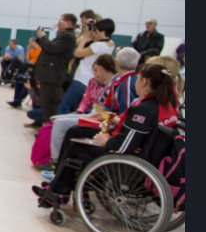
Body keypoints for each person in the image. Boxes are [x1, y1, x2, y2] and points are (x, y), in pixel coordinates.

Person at [33, 63, 179, 207]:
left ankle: (59, 191)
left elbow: (124, 146)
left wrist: (106, 141)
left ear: (144, 81)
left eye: (138, 79)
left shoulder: (144, 110)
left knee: (75, 146)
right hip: (146, 156)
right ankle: (58, 184)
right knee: (75, 131)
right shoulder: (166, 105)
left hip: (129, 163)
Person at [54, 17, 115, 115]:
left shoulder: (98, 46)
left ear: (103, 32)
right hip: (90, 81)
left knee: (63, 107)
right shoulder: (111, 44)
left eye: (97, 31)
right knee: (77, 110)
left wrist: (86, 35)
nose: (95, 34)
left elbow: (77, 53)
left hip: (81, 79)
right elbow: (96, 39)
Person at [33, 13, 77, 121]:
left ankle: (49, 128)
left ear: (69, 23)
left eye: (61, 21)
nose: (58, 24)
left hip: (53, 76)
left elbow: (52, 48)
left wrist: (43, 37)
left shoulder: (68, 37)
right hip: (49, 76)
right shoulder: (63, 36)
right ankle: (46, 127)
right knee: (45, 104)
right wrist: (41, 39)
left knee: (49, 106)